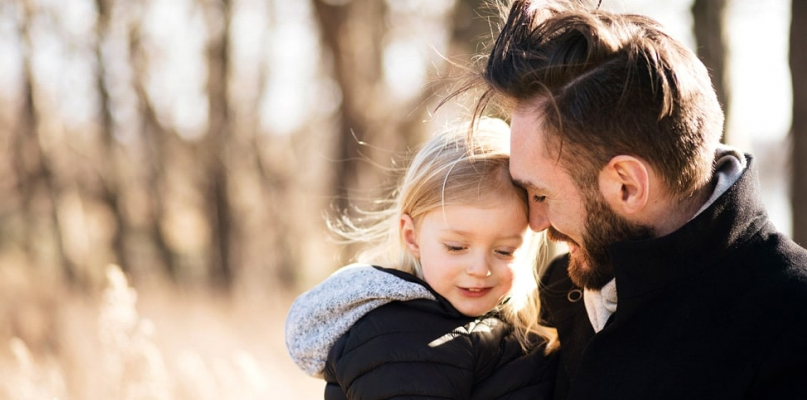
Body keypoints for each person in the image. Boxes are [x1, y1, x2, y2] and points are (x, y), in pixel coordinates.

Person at [450, 0, 807, 399]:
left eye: (541, 194)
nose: (535, 222)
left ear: (627, 186)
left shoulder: (792, 327)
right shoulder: (553, 296)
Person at [285, 119, 559, 400]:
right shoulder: (398, 335)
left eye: (504, 251)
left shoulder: (509, 324)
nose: (480, 269)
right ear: (412, 236)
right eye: (456, 247)